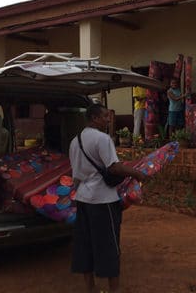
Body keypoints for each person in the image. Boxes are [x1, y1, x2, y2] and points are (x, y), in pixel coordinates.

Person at [69, 103, 147, 293]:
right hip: (103, 201)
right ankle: (114, 290)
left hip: (83, 199)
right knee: (109, 246)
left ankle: (90, 288)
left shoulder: (75, 141)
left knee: (85, 245)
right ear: (94, 118)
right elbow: (114, 168)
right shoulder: (102, 139)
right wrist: (137, 173)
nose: (108, 119)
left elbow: (76, 176)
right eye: (104, 116)